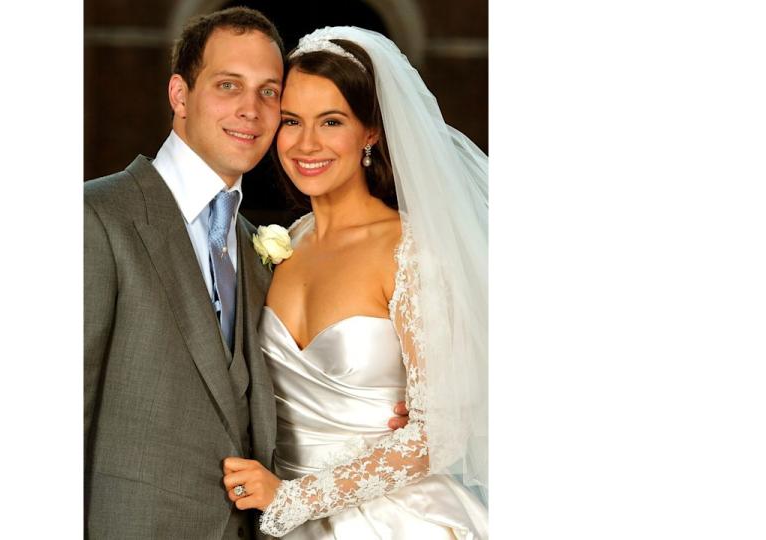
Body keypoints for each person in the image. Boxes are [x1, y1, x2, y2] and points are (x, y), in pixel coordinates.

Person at [84, 11, 408, 539]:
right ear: (180, 95)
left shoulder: (257, 245)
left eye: (268, 92)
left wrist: (420, 412)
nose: (250, 111)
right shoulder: (95, 218)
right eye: (228, 85)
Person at [221, 27, 489, 538]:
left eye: (332, 121)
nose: (306, 144)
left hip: (397, 520)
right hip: (276, 516)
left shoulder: (412, 251)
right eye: (292, 121)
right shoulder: (282, 245)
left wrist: (295, 498)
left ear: (371, 132)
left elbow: (444, 431)